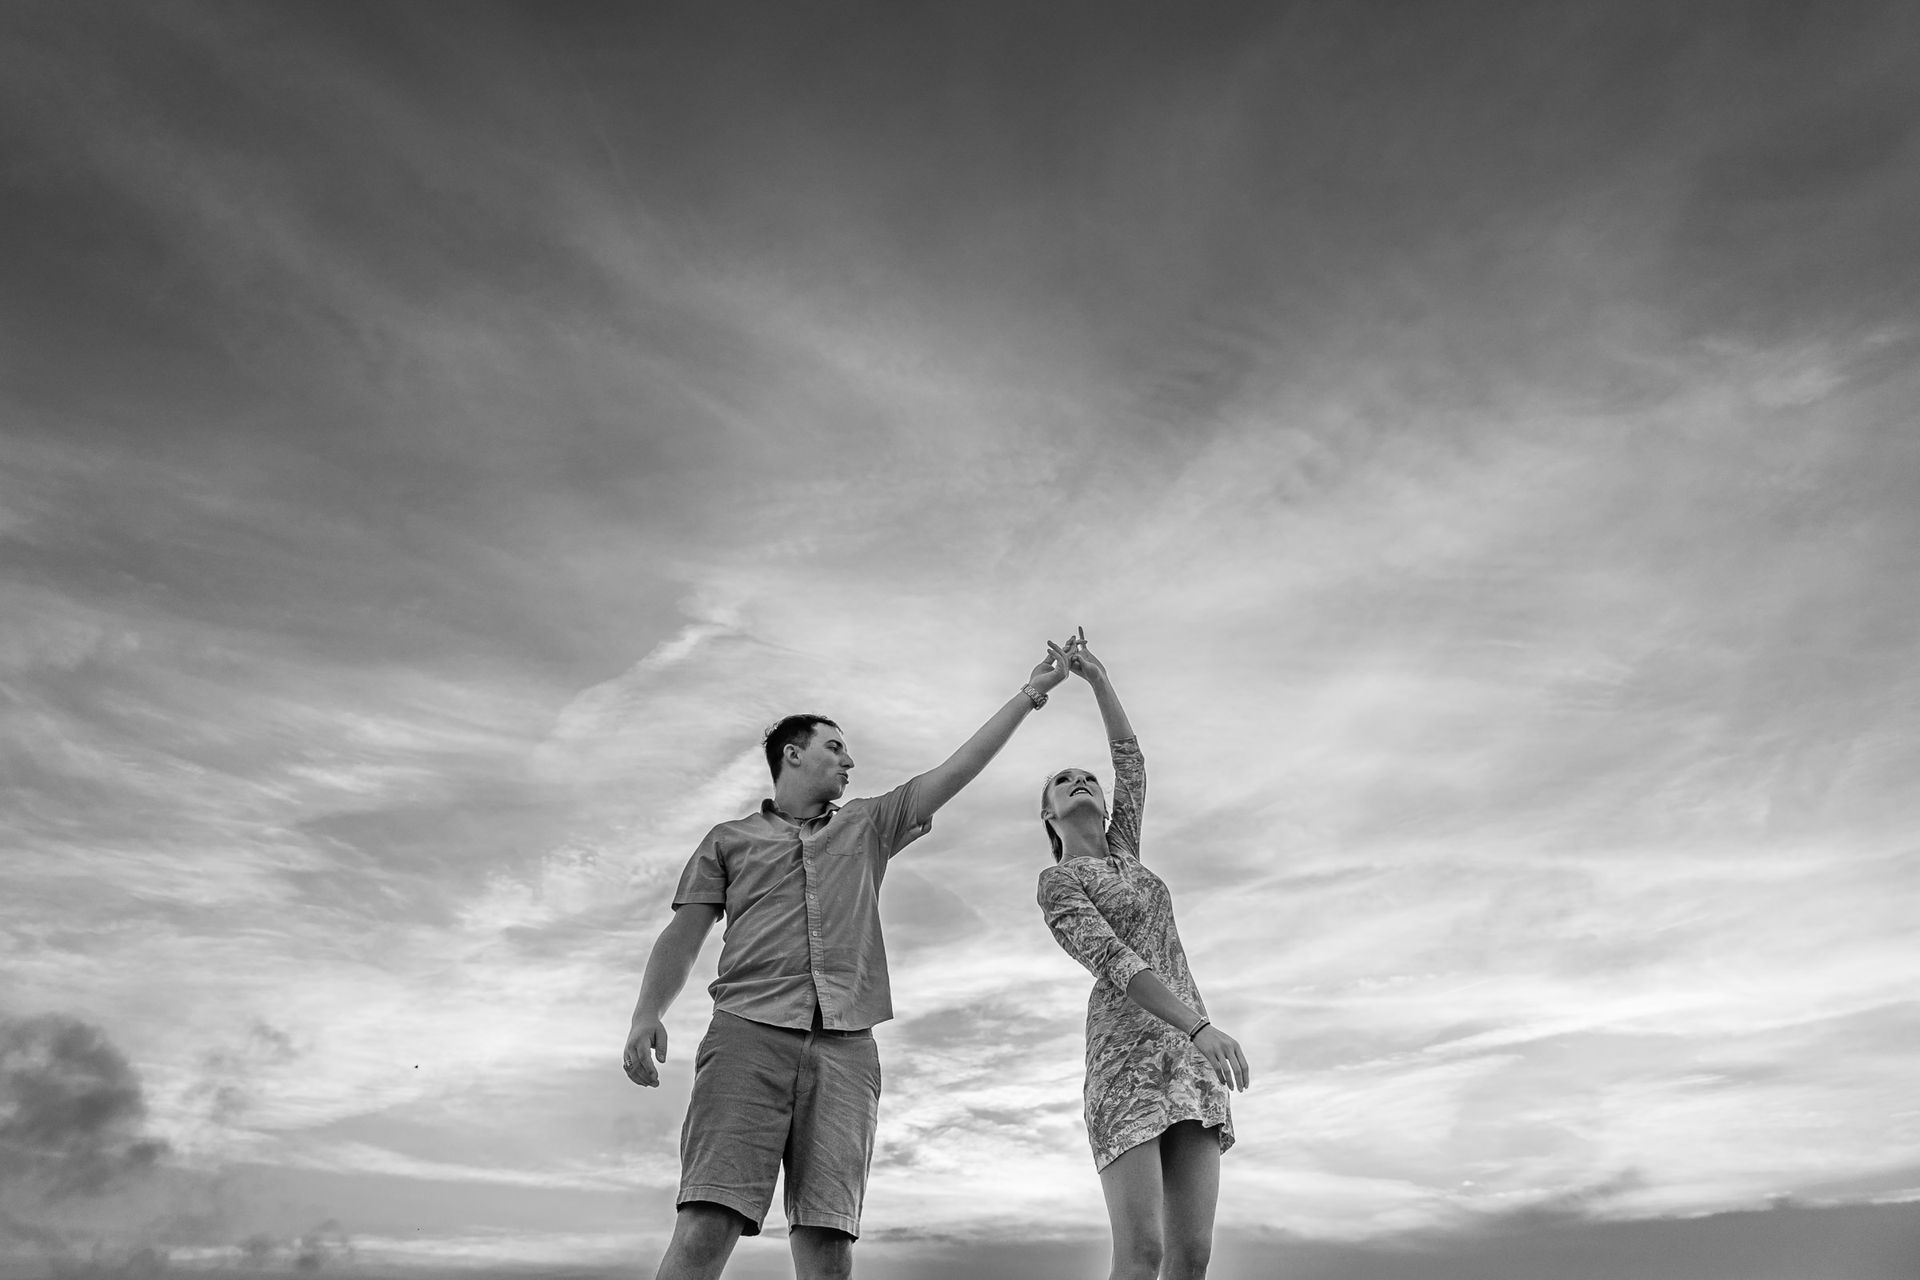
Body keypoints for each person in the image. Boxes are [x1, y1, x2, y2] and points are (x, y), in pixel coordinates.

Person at [622, 641, 1072, 1280]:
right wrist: (647, 1014)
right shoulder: (729, 840)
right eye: (835, 747)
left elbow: (954, 770)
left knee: (830, 1248)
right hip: (747, 1036)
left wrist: (1031, 695)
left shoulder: (869, 825)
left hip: (847, 1049)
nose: (849, 760)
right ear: (793, 754)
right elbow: (684, 933)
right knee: (706, 1224)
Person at [1036, 631, 1250, 1280]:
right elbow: (1116, 962)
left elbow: (1130, 761)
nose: (1080, 782)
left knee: (1192, 1255)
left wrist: (1096, 677)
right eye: (1062, 782)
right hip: (1125, 1054)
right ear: (1047, 816)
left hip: (1189, 1054)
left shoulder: (1126, 853)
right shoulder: (1059, 883)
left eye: (1087, 779)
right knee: (1143, 1252)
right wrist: (1199, 1025)